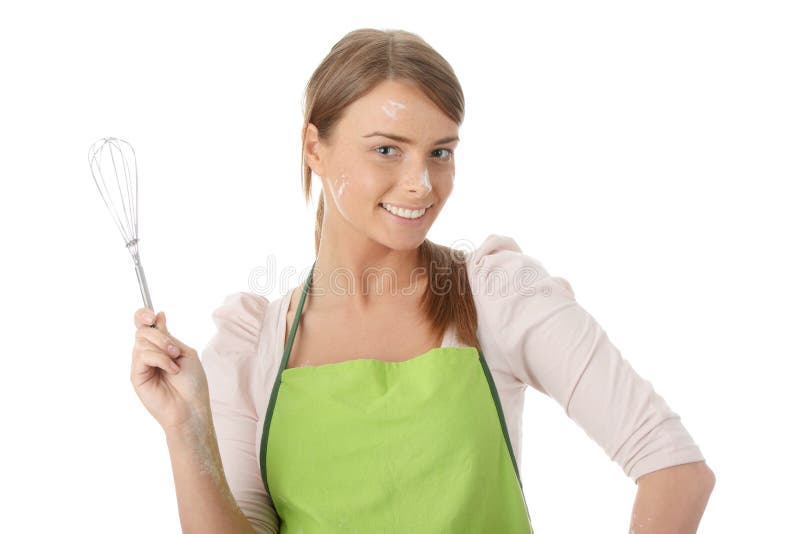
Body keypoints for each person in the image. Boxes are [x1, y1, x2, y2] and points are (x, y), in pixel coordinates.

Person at [130, 28, 715, 534]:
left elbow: (674, 469)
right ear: (315, 148)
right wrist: (187, 428)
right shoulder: (253, 345)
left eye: (440, 152)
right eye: (387, 149)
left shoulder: (496, 296)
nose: (422, 184)